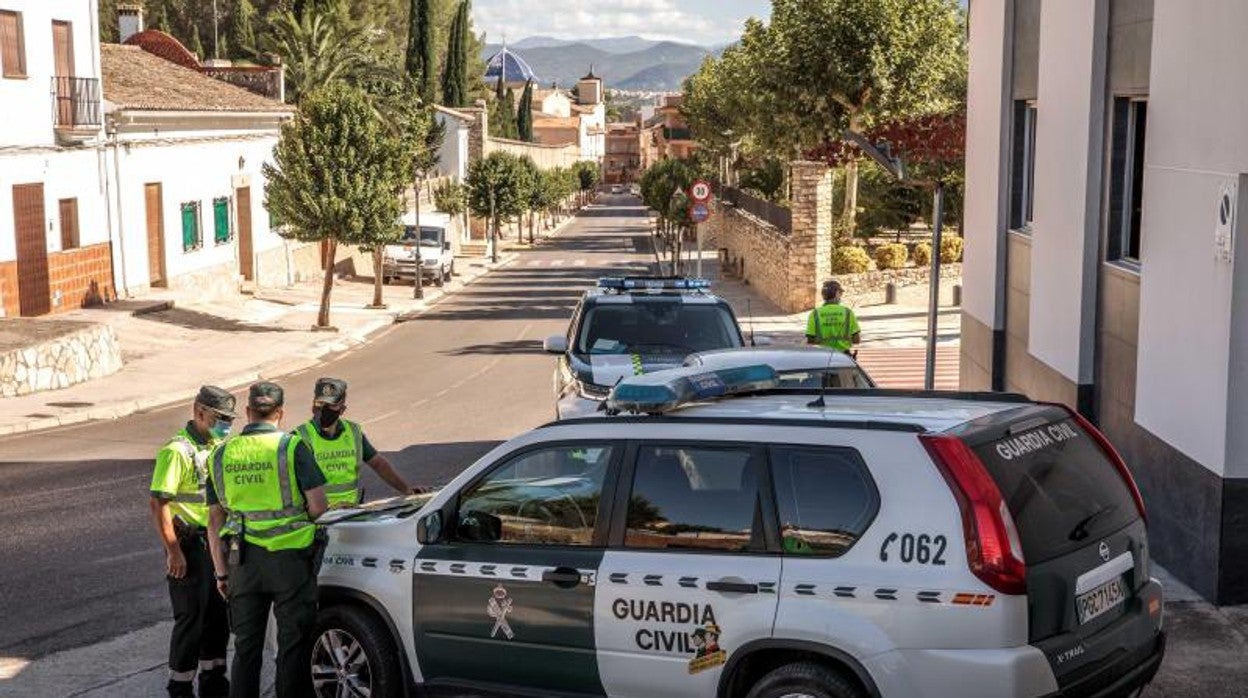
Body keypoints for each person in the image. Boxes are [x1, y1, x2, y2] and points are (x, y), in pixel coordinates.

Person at [206, 382, 328, 698]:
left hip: (242, 562)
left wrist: (221, 572)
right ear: (280, 413)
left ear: (247, 413)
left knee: (246, 649)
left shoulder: (221, 454)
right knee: (293, 646)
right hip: (291, 563)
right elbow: (318, 507)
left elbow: (214, 519)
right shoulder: (292, 447)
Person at [149, 386, 237, 698]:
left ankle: (214, 684)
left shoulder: (219, 447)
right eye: (219, 418)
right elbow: (159, 503)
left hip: (216, 544)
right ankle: (181, 687)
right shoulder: (178, 450)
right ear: (199, 412)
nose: (225, 425)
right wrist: (174, 551)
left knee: (217, 619)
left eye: (229, 419)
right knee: (190, 619)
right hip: (189, 546)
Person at [296, 377, 422, 508]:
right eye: (320, 404)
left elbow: (379, 464)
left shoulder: (353, 432)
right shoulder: (300, 437)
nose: (323, 409)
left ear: (342, 409)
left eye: (330, 405)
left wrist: (407, 490)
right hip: (318, 519)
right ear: (313, 405)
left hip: (351, 514)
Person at [806, 279, 861, 353]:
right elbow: (856, 339)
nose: (841, 296)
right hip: (844, 356)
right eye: (840, 293)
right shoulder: (848, 312)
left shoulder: (815, 314)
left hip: (822, 356)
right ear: (836, 293)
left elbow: (810, 340)